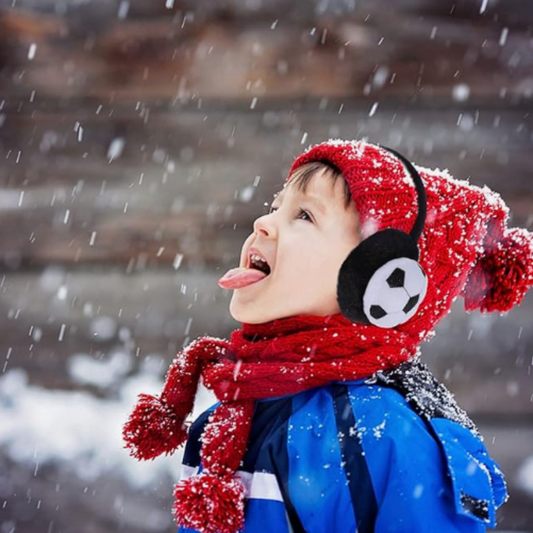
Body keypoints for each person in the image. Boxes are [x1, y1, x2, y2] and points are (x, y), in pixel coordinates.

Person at [123, 140, 533, 533]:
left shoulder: (384, 436)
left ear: (376, 283)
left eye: (304, 215)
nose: (262, 222)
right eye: (275, 206)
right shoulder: (227, 421)